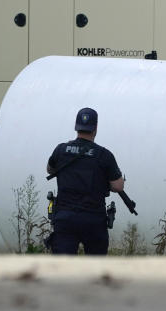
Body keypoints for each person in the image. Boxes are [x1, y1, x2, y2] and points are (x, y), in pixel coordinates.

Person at [46, 107, 125, 256]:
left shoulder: (61, 150)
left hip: (65, 218)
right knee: (95, 269)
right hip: (93, 219)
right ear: (95, 129)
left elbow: (50, 170)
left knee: (62, 267)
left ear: (76, 128)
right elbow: (117, 186)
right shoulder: (104, 155)